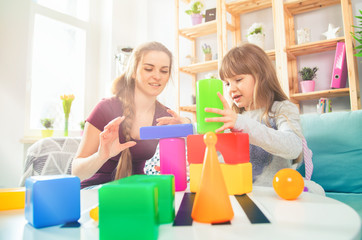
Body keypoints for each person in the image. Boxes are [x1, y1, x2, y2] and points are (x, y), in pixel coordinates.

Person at [204, 43, 324, 195]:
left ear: (261, 76)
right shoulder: (233, 118)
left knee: (316, 192)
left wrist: (241, 124)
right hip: (240, 192)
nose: (231, 89)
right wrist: (188, 128)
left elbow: (293, 147)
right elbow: (220, 158)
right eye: (227, 83)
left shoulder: (282, 109)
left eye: (238, 79)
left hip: (274, 193)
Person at [72, 41, 189, 188]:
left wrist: (186, 121)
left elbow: (191, 133)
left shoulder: (165, 115)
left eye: (164, 71)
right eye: (148, 69)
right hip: (95, 191)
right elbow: (76, 172)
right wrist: (101, 156)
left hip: (136, 191)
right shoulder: (106, 108)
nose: (157, 76)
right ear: (133, 71)